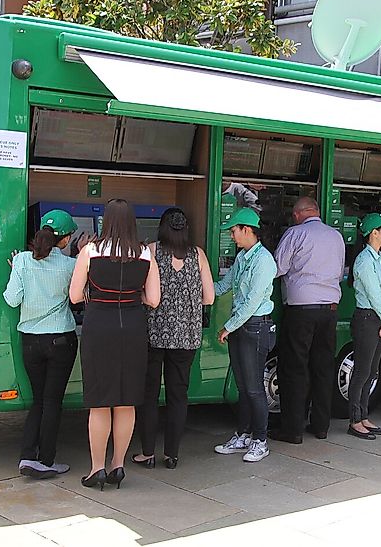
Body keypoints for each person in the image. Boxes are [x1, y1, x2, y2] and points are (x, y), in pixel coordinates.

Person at [69, 198, 160, 490]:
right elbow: (155, 300)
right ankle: (118, 465)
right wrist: (136, 298)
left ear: (106, 221)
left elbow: (73, 296)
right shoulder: (145, 253)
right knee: (125, 401)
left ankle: (96, 468)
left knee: (99, 402)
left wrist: (94, 293)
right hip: (132, 328)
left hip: (99, 328)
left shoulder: (90, 251)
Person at [4, 209, 83, 480]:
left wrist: (16, 271)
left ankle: (27, 456)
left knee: (38, 401)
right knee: (52, 402)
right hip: (61, 340)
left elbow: (12, 299)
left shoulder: (23, 261)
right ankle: (46, 459)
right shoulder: (70, 265)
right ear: (66, 238)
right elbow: (79, 298)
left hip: (30, 342)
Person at [133, 208, 215, 470]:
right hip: (186, 338)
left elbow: (144, 290)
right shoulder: (198, 254)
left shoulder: (152, 251)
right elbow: (210, 298)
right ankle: (172, 455)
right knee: (178, 396)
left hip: (155, 335)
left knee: (149, 395)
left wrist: (147, 300)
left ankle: (147, 454)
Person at [269, 196, 344, 444]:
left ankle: (292, 430)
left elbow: (277, 268)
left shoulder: (295, 233)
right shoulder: (336, 236)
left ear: (299, 213)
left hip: (301, 308)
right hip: (330, 309)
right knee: (323, 367)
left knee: (294, 367)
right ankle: (321, 426)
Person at [213, 207, 277, 462]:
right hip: (242, 327)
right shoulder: (243, 257)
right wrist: (199, 288)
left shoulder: (264, 261)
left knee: (254, 389)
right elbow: (224, 286)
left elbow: (252, 302)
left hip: (255, 327)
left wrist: (228, 326)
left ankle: (261, 440)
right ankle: (243, 435)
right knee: (242, 387)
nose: (231, 235)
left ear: (247, 230)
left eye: (233, 230)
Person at [348, 213, 381, 440]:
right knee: (362, 371)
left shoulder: (379, 258)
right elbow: (375, 296)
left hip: (380, 318)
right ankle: (355, 420)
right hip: (368, 319)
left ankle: (364, 416)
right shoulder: (365, 261)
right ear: (373, 233)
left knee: (373, 371)